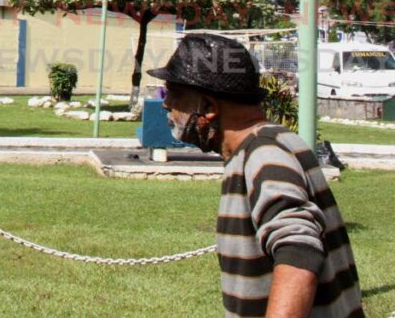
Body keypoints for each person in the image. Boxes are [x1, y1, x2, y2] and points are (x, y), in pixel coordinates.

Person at [149, 33, 363, 318]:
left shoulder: (264, 154)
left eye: (173, 94)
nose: (166, 104)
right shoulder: (272, 143)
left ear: (209, 108)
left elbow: (298, 253)